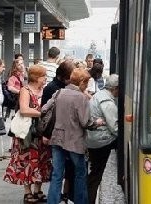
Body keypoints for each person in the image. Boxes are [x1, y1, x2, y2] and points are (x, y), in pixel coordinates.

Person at [46, 67, 105, 204]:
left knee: (57, 175)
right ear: (82, 82)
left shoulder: (58, 92)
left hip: (57, 138)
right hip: (75, 141)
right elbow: (85, 122)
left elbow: (44, 109)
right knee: (80, 174)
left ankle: (52, 202)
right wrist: (97, 122)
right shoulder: (81, 97)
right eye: (87, 82)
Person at [4, 65, 51, 203]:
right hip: (27, 132)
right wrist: (42, 113)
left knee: (41, 160)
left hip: (41, 131)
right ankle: (27, 192)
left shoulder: (44, 90)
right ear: (36, 77)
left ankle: (38, 190)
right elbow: (24, 110)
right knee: (26, 161)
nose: (45, 79)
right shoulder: (25, 90)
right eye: (43, 76)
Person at [40, 60, 75, 203]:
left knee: (62, 170)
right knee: (59, 170)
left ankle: (62, 196)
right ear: (64, 76)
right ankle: (58, 197)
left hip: (60, 135)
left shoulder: (58, 87)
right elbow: (46, 112)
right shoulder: (53, 88)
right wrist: (46, 134)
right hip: (56, 134)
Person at [86, 74, 119, 204]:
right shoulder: (108, 102)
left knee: (95, 172)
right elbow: (114, 127)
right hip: (101, 141)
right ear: (115, 88)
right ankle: (89, 199)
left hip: (92, 138)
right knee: (96, 174)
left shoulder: (99, 95)